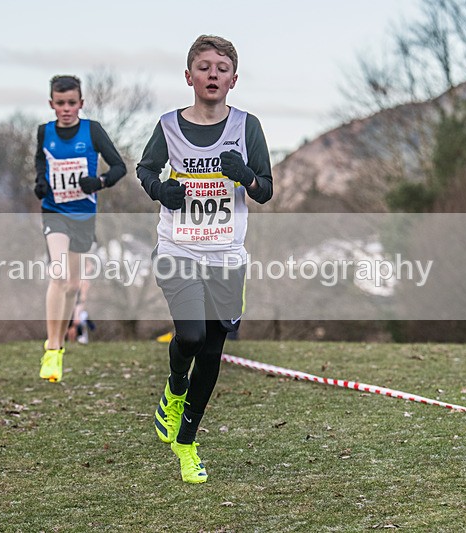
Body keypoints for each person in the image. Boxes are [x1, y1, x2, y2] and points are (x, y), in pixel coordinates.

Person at [137, 35, 273, 483]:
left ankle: (186, 442)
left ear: (234, 79)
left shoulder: (247, 126)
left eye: (221, 68)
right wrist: (162, 190)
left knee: (214, 350)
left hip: (226, 257)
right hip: (178, 249)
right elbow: (145, 169)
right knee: (191, 336)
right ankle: (175, 387)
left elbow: (266, 190)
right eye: (204, 67)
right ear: (189, 76)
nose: (212, 74)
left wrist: (247, 176)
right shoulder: (169, 125)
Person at [34, 75, 126, 382]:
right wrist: (41, 183)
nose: (66, 109)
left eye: (71, 103)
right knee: (57, 275)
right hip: (54, 213)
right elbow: (39, 165)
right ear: (51, 104)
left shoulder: (93, 131)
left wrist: (98, 182)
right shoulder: (44, 133)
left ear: (81, 104)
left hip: (83, 216)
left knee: (73, 286)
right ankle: (52, 348)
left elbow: (119, 168)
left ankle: (59, 344)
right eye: (60, 103)